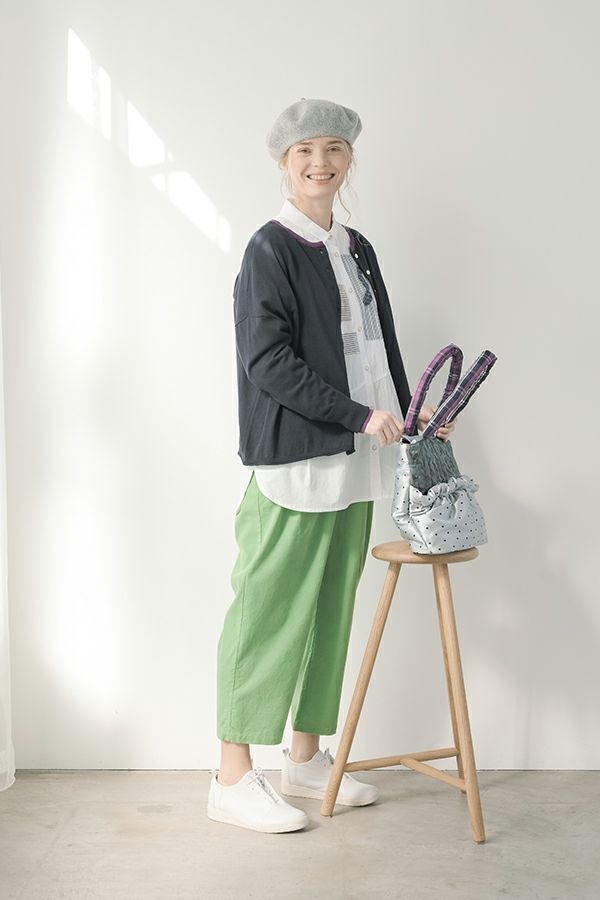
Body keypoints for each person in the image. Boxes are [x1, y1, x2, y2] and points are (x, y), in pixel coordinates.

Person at [207, 98, 457, 833]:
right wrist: (355, 415)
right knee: (266, 612)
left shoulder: (356, 247)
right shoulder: (270, 249)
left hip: (357, 458)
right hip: (295, 462)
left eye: (334, 150)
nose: (321, 163)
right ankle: (231, 776)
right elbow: (268, 362)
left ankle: (305, 759)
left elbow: (377, 344)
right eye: (305, 152)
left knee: (330, 608)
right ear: (284, 163)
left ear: (349, 159)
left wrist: (409, 414)